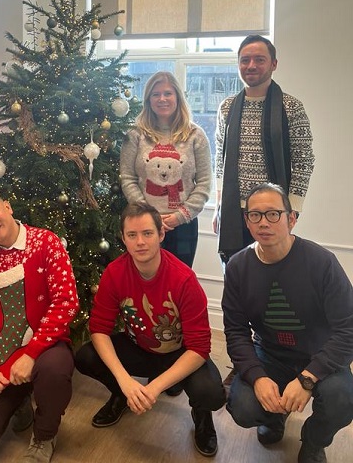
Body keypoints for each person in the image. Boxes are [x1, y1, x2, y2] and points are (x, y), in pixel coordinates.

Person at [75, 202, 226, 457]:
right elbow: (99, 328)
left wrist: (153, 388)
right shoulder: (115, 273)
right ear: (123, 238)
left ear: (161, 235)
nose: (140, 242)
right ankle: (120, 396)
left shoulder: (184, 280)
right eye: (132, 235)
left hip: (180, 352)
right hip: (140, 348)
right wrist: (125, 381)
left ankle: (201, 415)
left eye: (147, 233)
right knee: (85, 356)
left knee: (211, 394)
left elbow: (199, 348)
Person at [222, 183, 353, 463]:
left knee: (342, 400)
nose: (263, 222)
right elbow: (235, 331)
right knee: (243, 406)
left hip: (319, 353)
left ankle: (314, 439)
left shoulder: (322, 263)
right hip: (270, 353)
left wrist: (307, 378)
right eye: (255, 215)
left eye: (273, 214)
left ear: (291, 219)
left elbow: (348, 329)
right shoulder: (237, 267)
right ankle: (274, 417)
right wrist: (257, 377)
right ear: (247, 221)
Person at [0, 188, 79, 462]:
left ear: (8, 207)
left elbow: (66, 302)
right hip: (1, 354)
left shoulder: (45, 241)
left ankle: (45, 434)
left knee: (54, 370)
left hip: (46, 347)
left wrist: (32, 353)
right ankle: (20, 399)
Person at [213, 35, 315, 266]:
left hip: (272, 212)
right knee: (235, 275)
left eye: (259, 59)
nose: (251, 66)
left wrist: (292, 209)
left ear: (273, 64)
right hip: (233, 211)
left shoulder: (291, 107)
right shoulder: (227, 107)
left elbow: (304, 160)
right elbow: (220, 158)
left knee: (273, 275)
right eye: (245, 60)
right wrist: (219, 205)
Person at [120, 71, 211, 267]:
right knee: (145, 280)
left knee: (179, 283)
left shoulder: (196, 135)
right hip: (143, 225)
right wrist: (149, 217)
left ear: (177, 97)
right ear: (148, 100)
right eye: (156, 94)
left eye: (168, 93)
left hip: (183, 226)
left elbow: (203, 184)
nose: (162, 99)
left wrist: (179, 217)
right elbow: (127, 178)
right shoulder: (135, 135)